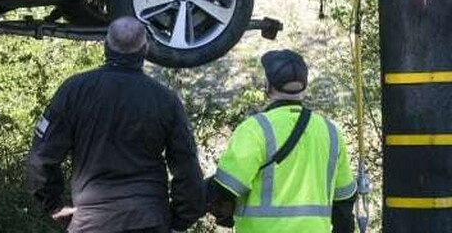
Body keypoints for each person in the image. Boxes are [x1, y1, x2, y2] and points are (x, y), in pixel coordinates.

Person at [26, 17, 204, 233]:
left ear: (106, 45)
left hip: (91, 222)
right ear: (145, 49)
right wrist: (180, 221)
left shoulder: (74, 91)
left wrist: (53, 206)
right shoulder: (165, 99)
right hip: (149, 219)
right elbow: (187, 167)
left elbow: (41, 157)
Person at [207, 49, 357, 233]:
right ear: (305, 87)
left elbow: (224, 189)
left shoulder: (254, 129)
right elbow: (344, 201)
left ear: (267, 86)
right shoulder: (331, 132)